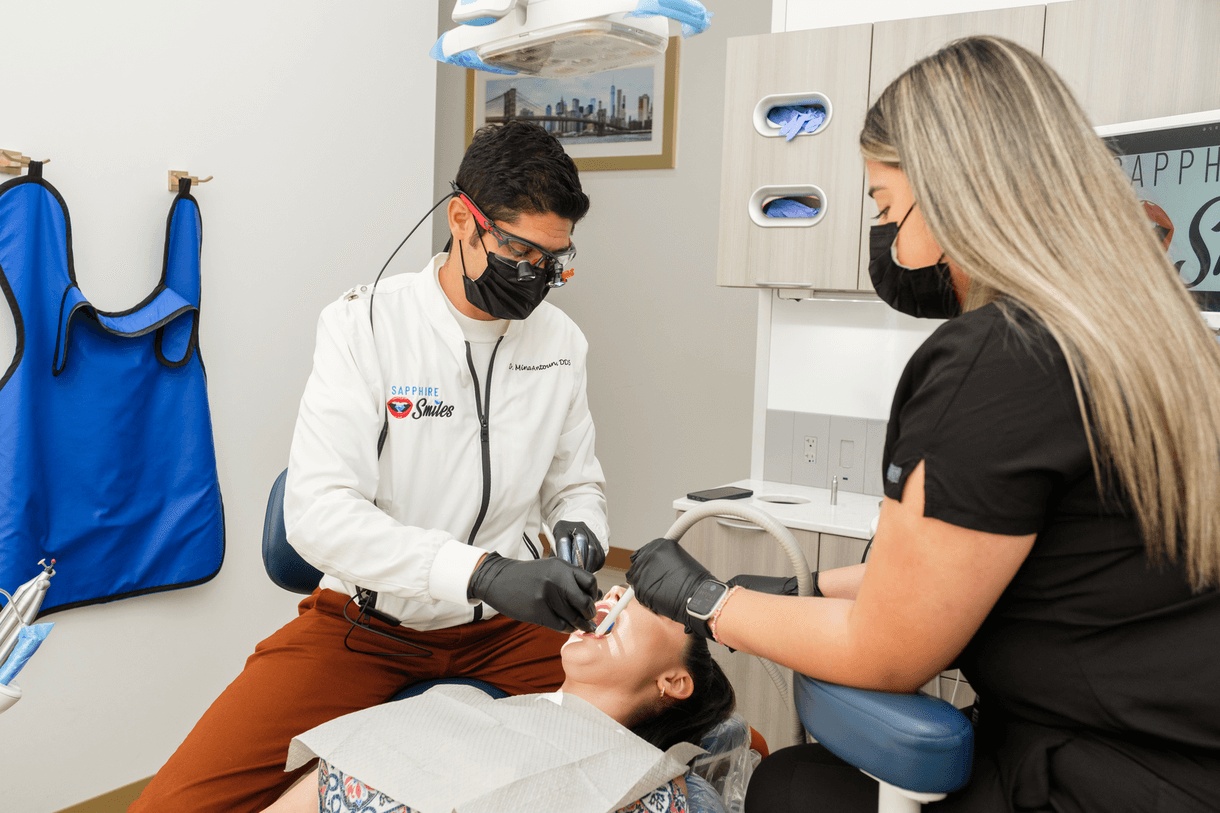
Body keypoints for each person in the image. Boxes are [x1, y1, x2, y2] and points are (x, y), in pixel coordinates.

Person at [626, 36, 1220, 813]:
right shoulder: (1150, 333)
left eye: (884, 207)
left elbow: (890, 649)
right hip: (1179, 750)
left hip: (1107, 772)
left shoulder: (997, 358)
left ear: (949, 191)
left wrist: (709, 601)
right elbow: (997, 565)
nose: (891, 242)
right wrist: (800, 586)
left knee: (790, 788)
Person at [133, 121, 612, 811]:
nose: (537, 274)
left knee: (702, 740)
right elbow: (318, 514)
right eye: (519, 250)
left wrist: (580, 528)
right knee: (172, 805)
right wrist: (481, 572)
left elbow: (576, 481)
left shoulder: (562, 342)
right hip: (367, 628)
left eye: (555, 258)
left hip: (508, 634)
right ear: (462, 220)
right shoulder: (365, 327)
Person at [259, 586, 736, 813]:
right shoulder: (445, 707)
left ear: (675, 682)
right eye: (621, 588)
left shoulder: (655, 795)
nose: (616, 595)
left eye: (653, 602)